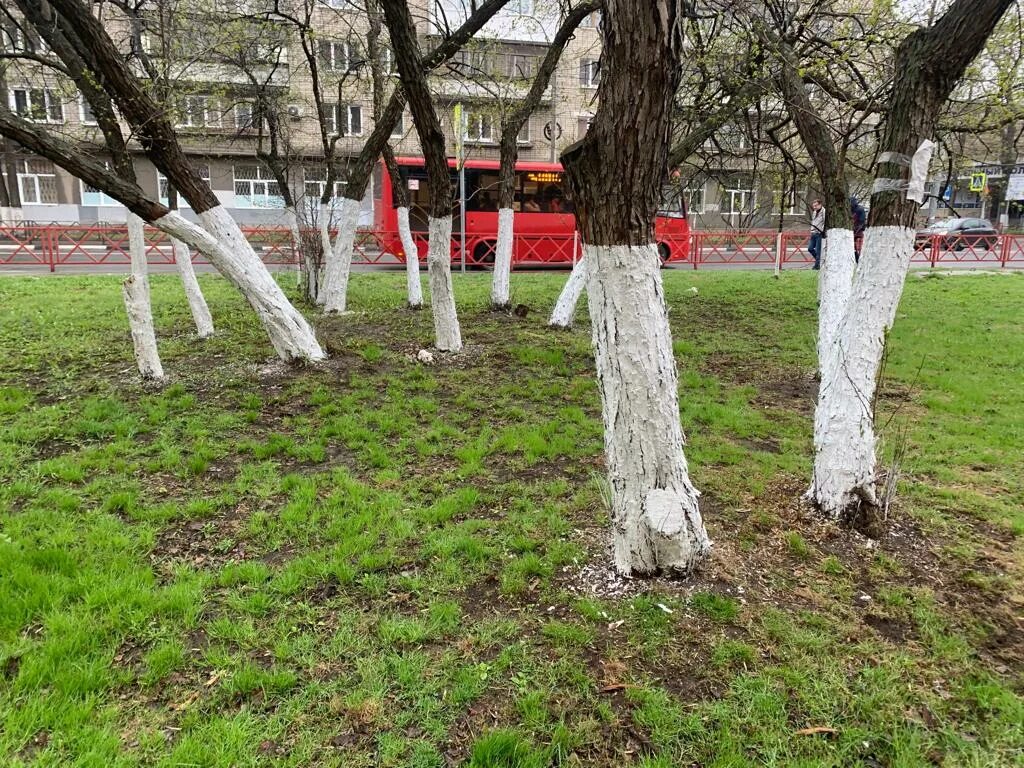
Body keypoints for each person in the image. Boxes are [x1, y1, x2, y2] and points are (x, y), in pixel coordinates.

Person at [808, 199, 825, 270]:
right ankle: (820, 261)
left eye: (816, 205)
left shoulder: (824, 212)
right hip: (813, 232)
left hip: (819, 233)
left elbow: (825, 222)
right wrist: (811, 230)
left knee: (818, 251)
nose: (814, 207)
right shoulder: (814, 212)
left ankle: (817, 266)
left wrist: (822, 231)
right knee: (810, 248)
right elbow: (813, 222)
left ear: (820, 204)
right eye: (813, 206)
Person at [851, 196, 866, 262]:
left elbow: (862, 222)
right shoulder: (850, 209)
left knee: (859, 247)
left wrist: (857, 230)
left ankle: (860, 259)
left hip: (858, 231)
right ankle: (857, 259)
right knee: (852, 247)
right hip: (852, 230)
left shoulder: (860, 209)